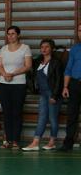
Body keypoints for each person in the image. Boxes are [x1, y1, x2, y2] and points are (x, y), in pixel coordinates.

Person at [23, 39, 64, 151]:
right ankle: (35, 142)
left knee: (52, 118)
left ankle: (52, 142)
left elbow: (59, 81)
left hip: (53, 93)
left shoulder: (56, 62)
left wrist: (54, 96)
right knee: (41, 118)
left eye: (46, 47)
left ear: (52, 49)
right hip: (43, 94)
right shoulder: (38, 62)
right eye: (42, 47)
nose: (44, 49)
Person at [0, 26, 32, 149]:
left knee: (16, 112)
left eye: (13, 33)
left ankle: (16, 141)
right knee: (6, 113)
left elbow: (28, 66)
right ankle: (7, 140)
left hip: (19, 84)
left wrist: (13, 74)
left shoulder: (25, 48)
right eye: (8, 34)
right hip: (3, 84)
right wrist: (4, 74)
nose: (10, 36)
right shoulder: (3, 49)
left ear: (18, 35)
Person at [60, 23, 81, 152]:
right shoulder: (74, 49)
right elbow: (68, 69)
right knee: (72, 115)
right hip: (75, 84)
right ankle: (68, 144)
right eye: (80, 30)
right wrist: (65, 86)